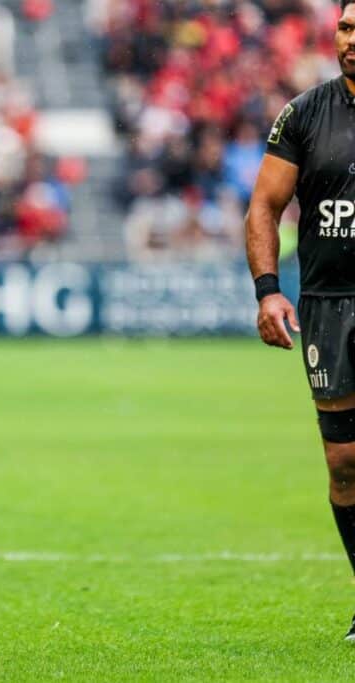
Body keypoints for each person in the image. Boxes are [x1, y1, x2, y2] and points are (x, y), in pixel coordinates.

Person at [246, 0, 355, 642]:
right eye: (346, 27)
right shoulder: (305, 113)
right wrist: (267, 290)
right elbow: (264, 206)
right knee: (343, 461)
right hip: (329, 305)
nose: (352, 41)